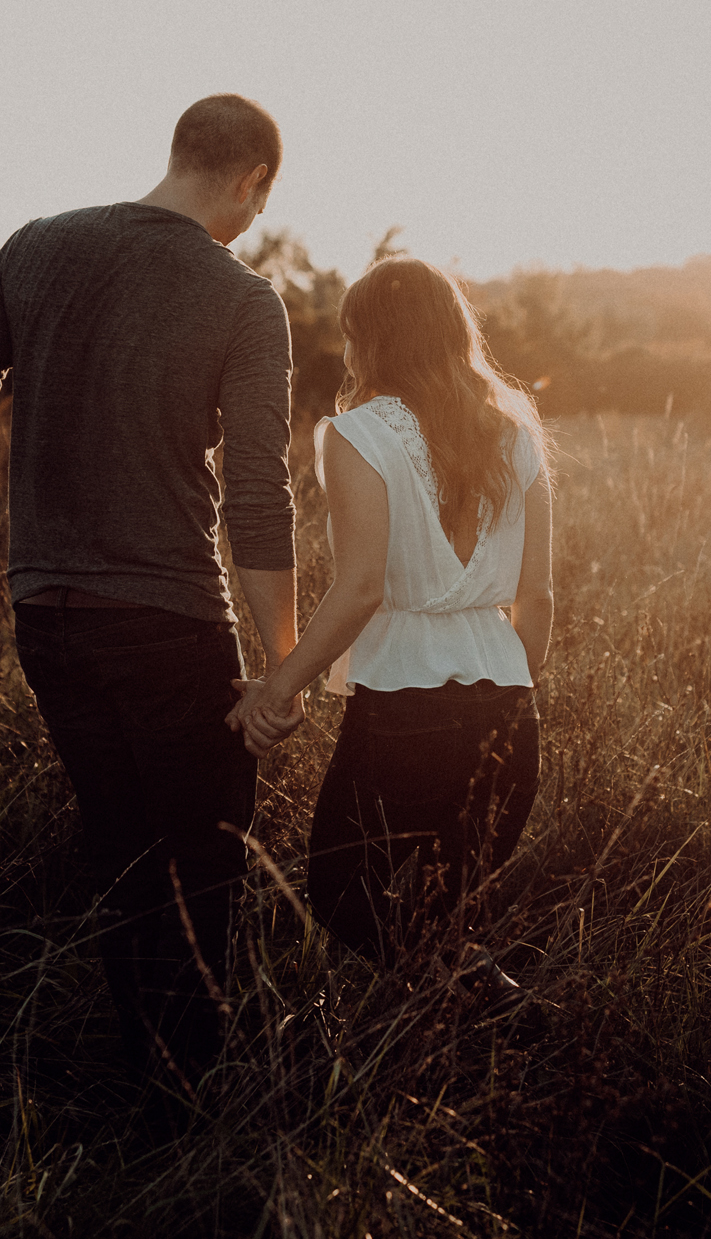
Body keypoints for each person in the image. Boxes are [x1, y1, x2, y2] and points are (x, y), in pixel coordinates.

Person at [0, 94, 300, 1086]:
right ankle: (199, 1093)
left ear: (177, 152)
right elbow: (259, 493)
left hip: (46, 614)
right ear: (251, 180)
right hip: (170, 618)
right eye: (262, 198)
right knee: (209, 858)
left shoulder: (35, 247)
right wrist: (283, 663)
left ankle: (144, 1070)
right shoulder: (244, 298)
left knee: (122, 846)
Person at [228, 255, 551, 973]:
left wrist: (278, 690)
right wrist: (508, 689)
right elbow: (539, 597)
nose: (346, 352)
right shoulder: (517, 435)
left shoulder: (358, 434)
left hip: (407, 707)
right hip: (510, 702)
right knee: (448, 907)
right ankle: (474, 1018)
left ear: (371, 339)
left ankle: (475, 1008)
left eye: (350, 335)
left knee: (343, 894)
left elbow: (361, 586)